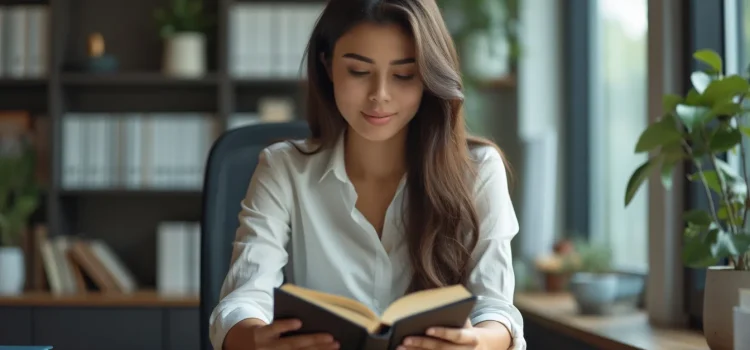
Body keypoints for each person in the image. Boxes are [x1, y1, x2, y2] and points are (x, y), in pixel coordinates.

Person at [209, 0, 525, 349]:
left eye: (404, 75)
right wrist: (255, 339)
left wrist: (478, 343)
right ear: (327, 65)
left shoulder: (477, 170)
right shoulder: (283, 169)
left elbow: (496, 307)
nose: (380, 96)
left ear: (429, 77)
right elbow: (244, 298)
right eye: (359, 72)